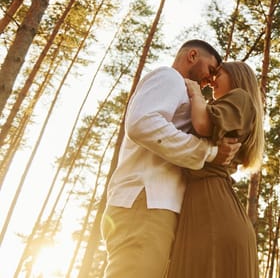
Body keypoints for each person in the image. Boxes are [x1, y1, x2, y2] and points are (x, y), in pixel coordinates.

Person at [101, 39, 242, 278]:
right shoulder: (170, 78)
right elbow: (142, 123)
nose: (210, 80)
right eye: (210, 70)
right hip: (146, 200)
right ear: (192, 55)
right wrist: (208, 153)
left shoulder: (186, 94)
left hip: (156, 205)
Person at [167, 61, 265, 278]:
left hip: (213, 209)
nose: (211, 80)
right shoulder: (232, 110)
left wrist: (195, 91)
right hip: (212, 206)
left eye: (218, 73)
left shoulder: (240, 97)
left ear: (236, 77)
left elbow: (202, 123)